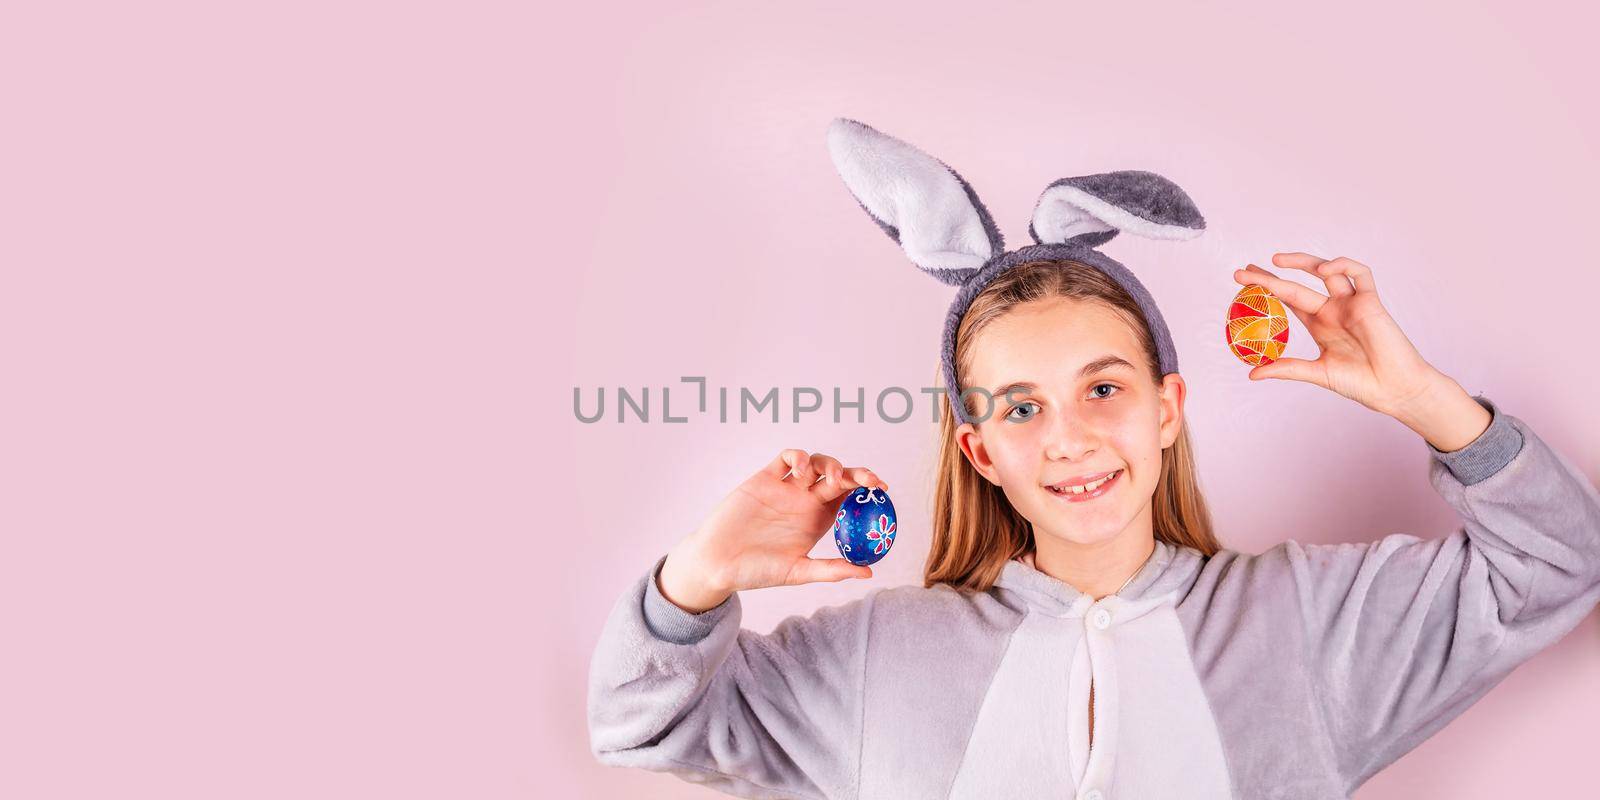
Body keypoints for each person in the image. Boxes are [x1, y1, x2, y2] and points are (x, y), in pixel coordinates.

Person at [585, 120, 1600, 799]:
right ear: (979, 450)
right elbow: (641, 722)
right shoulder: (867, 658)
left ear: (1168, 408)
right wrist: (696, 578)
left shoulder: (1310, 626)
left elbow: (1556, 564)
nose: (1068, 435)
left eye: (1103, 388)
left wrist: (1424, 398)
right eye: (1021, 406)